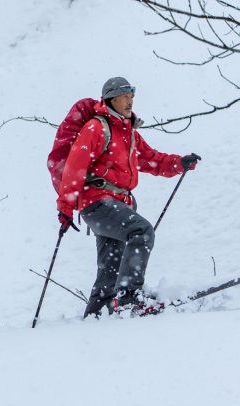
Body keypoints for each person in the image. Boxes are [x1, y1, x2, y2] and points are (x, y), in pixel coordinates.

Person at [56, 77, 201, 318]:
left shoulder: (128, 133)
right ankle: (129, 297)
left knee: (110, 267)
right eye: (125, 96)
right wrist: (66, 208)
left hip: (115, 205)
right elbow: (75, 167)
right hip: (98, 204)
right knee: (141, 231)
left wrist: (178, 163)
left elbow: (150, 159)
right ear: (111, 98)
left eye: (132, 97)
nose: (130, 101)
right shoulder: (96, 128)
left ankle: (96, 314)